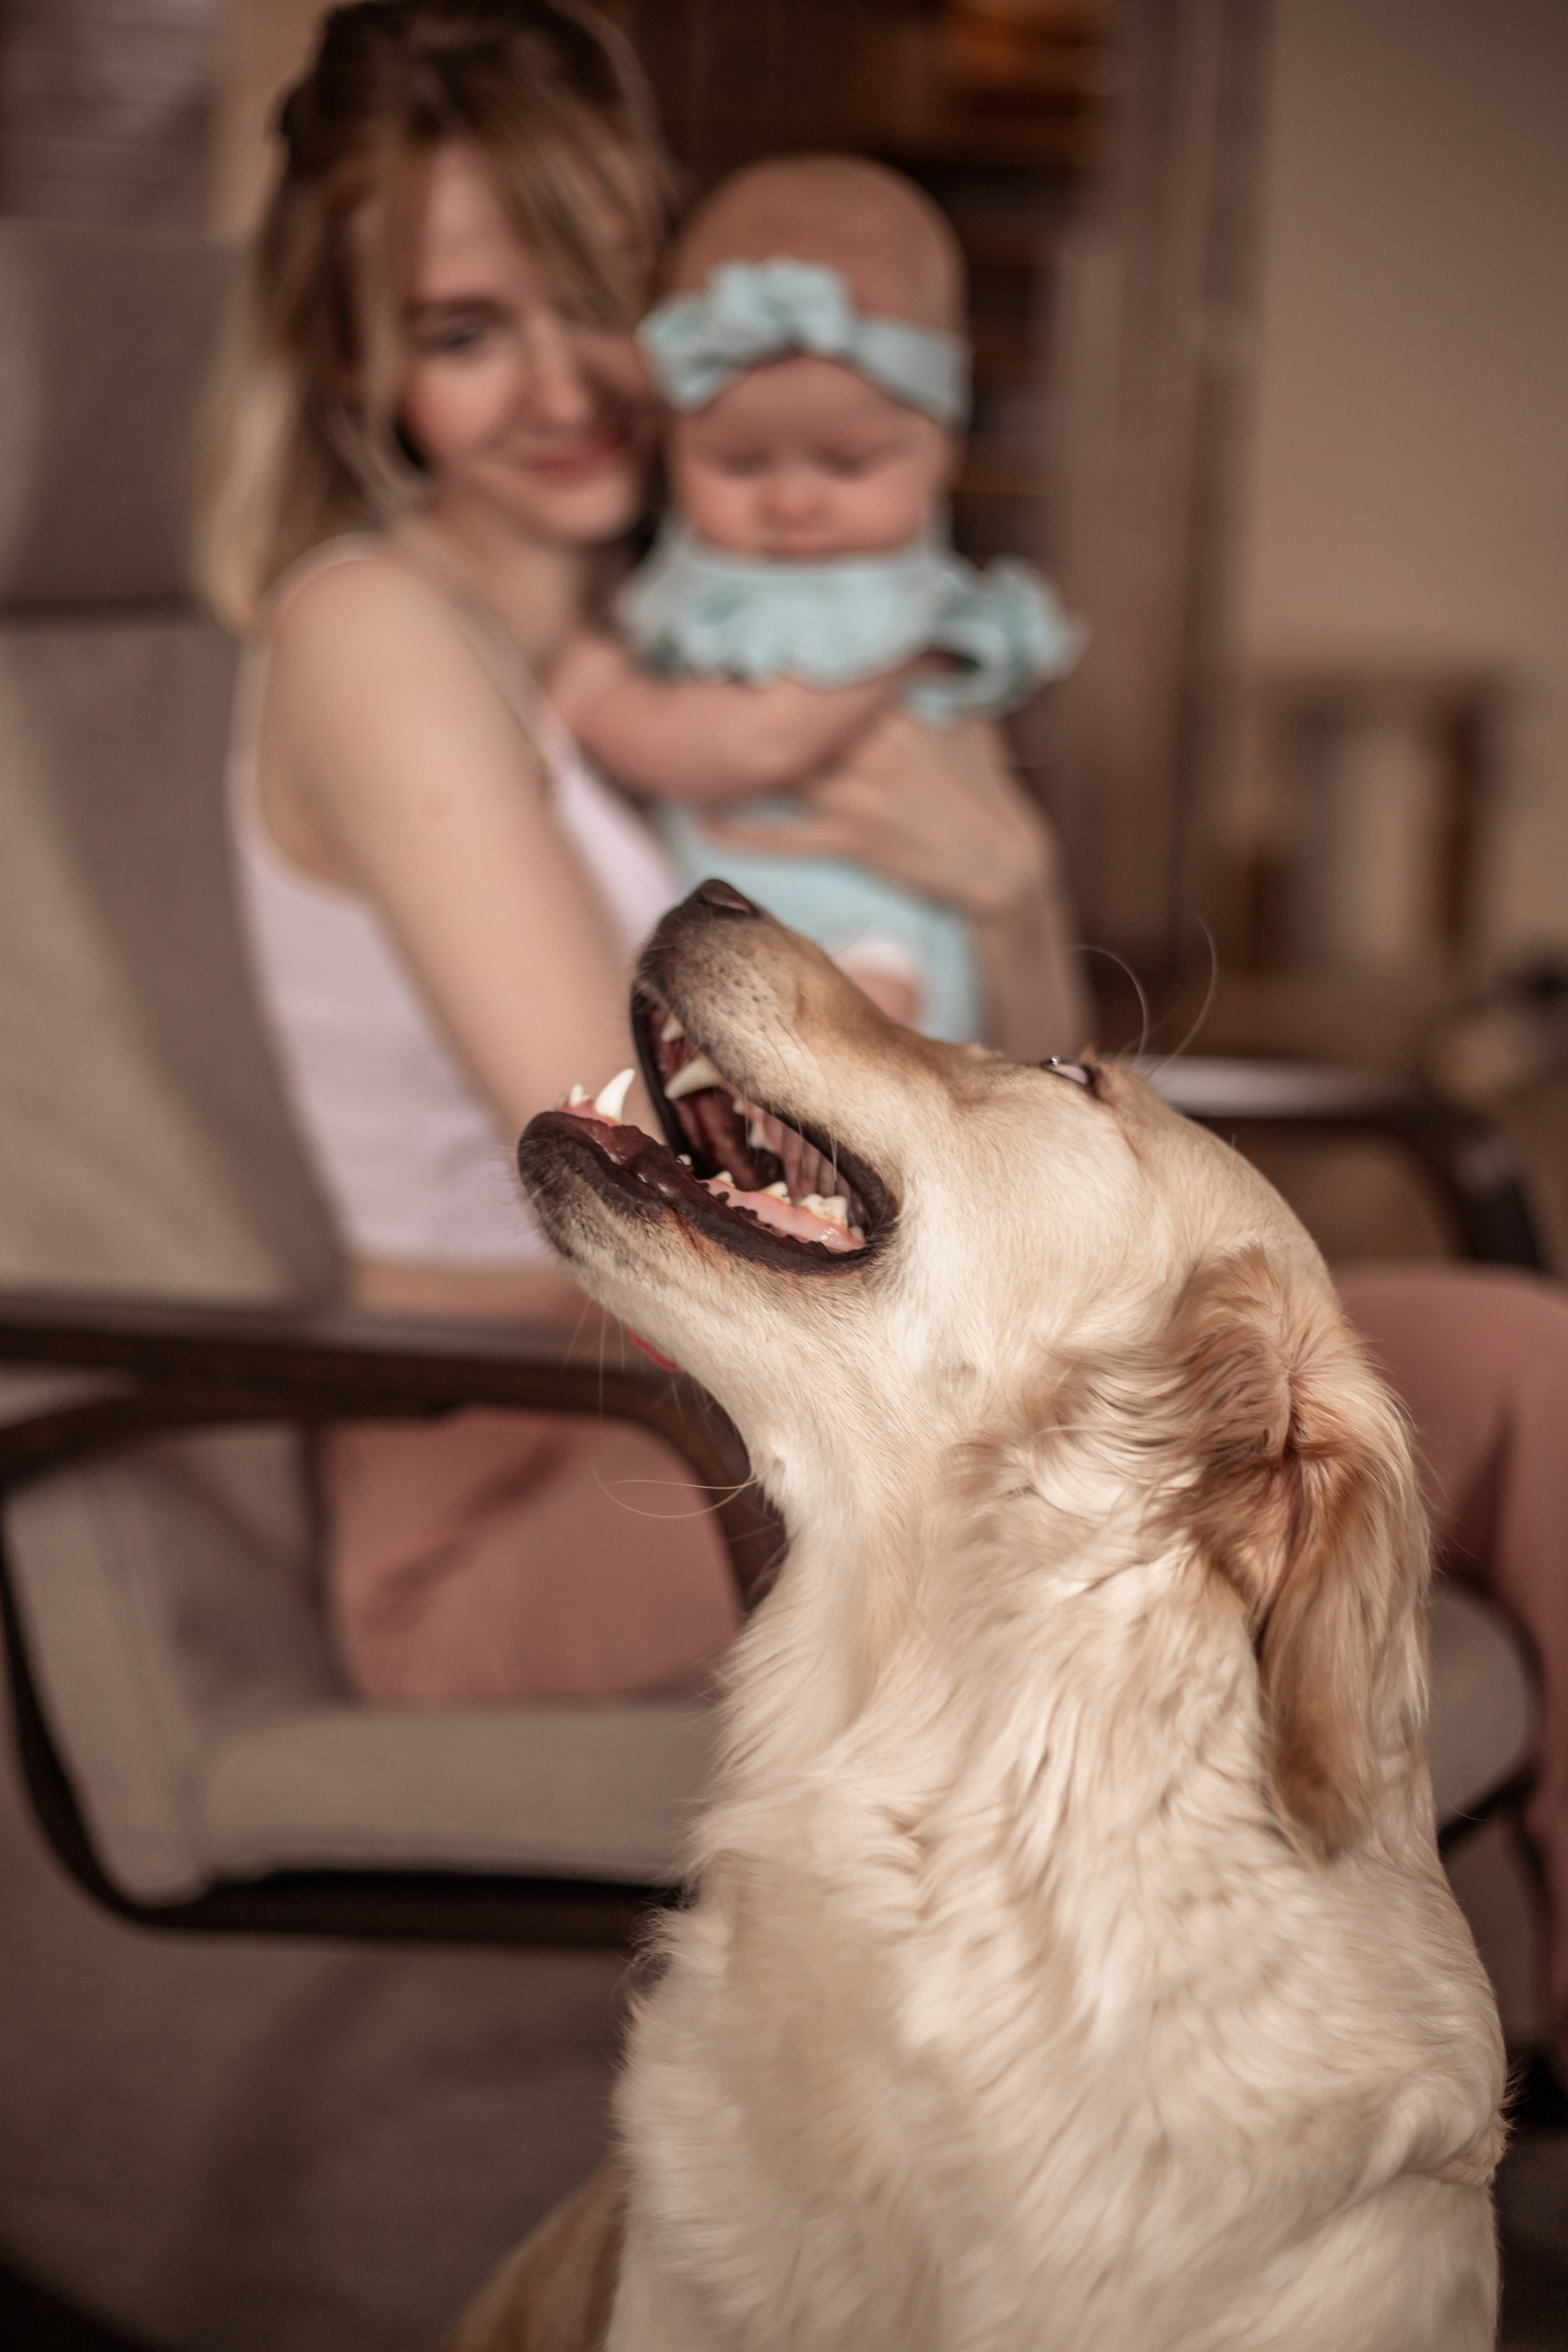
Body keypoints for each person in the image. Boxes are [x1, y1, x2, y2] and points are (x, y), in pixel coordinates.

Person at [197, 0, 1085, 1706]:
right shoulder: (371, 630)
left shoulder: (719, 631)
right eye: (465, 331)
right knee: (1222, 1418)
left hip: (791, 1398)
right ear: (357, 365)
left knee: (1501, 1374)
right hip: (538, 1475)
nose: (566, 386)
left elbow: (1041, 1072)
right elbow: (651, 1171)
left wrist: (1012, 889)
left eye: (599, 295)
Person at [550, 154, 1082, 1037]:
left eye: (847, 463)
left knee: (857, 1026)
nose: (792, 504)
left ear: (942, 448)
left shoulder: (887, 603)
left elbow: (759, 741)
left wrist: (603, 701)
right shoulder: (702, 571)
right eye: (738, 463)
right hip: (741, 920)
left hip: (864, 927)